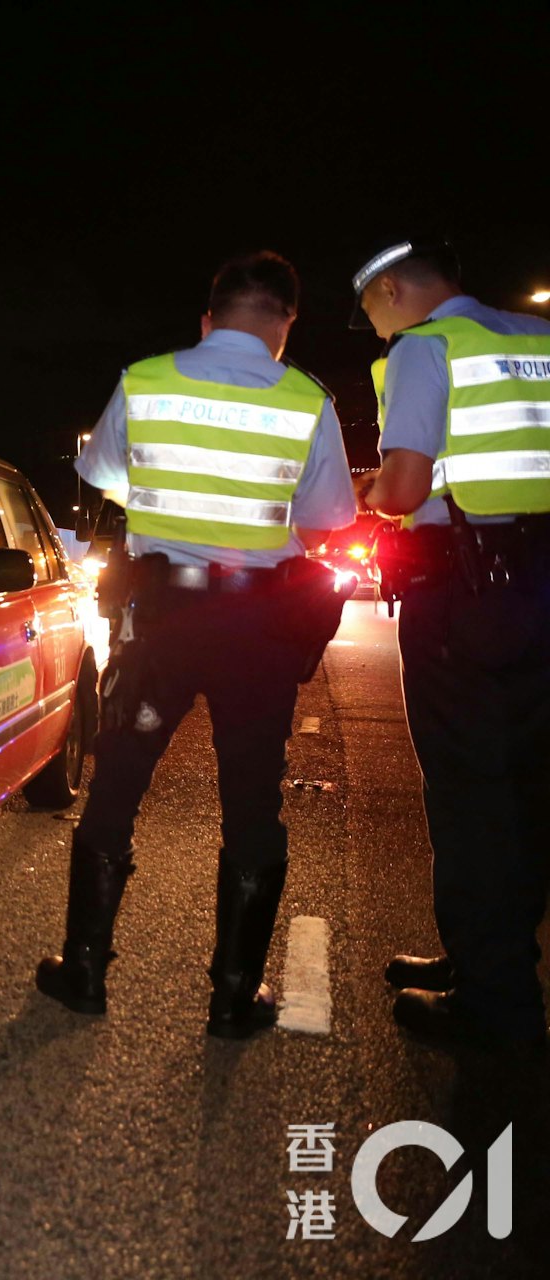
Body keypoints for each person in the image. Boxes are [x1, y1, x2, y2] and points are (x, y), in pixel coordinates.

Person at [36, 251, 357, 1038]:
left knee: (120, 779)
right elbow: (330, 519)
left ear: (208, 319)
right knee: (251, 800)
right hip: (258, 628)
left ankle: (84, 971)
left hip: (163, 618)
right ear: (285, 325)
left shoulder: (147, 379)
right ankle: (233, 997)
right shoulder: (307, 400)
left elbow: (102, 471)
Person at [351, 235, 550, 1048]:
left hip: (466, 590)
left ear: (393, 291)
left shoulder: (426, 349)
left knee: (470, 789)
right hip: (539, 582)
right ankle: (489, 960)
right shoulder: (537, 339)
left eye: (370, 311)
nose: (374, 329)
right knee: (528, 784)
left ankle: (496, 1002)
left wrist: (367, 490)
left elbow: (405, 486)